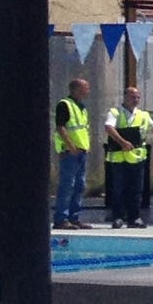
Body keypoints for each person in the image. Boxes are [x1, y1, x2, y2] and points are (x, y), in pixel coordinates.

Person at [103, 82, 153, 228]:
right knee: (118, 189)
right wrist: (123, 142)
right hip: (119, 158)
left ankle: (134, 218)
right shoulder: (115, 112)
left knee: (136, 190)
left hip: (137, 158)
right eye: (133, 97)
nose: (136, 100)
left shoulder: (143, 114)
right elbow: (109, 128)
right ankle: (118, 217)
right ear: (125, 97)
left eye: (138, 97)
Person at [52, 75, 93, 230]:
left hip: (81, 151)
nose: (88, 90)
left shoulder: (81, 107)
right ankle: (61, 218)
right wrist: (70, 146)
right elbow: (61, 127)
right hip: (70, 152)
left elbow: (82, 129)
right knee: (67, 185)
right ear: (76, 89)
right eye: (85, 87)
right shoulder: (65, 105)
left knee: (79, 185)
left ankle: (74, 217)